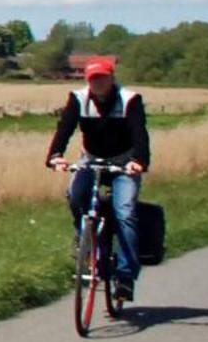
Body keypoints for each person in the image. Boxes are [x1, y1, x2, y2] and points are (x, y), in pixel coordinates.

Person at [45, 57, 150, 301]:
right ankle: (85, 240)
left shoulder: (129, 100)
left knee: (125, 212)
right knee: (76, 196)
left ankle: (125, 277)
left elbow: (139, 133)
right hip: (91, 158)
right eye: (93, 79)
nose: (98, 84)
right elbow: (65, 128)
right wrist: (55, 156)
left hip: (124, 162)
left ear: (112, 78)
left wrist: (139, 161)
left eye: (102, 78)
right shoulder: (78, 99)